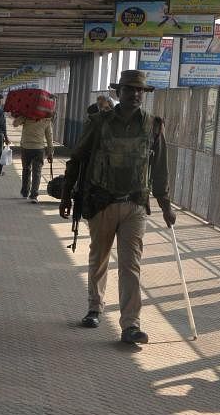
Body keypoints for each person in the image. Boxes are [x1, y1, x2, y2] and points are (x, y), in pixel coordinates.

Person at [59, 70, 175, 345]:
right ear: (118, 91)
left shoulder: (153, 126)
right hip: (102, 201)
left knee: (131, 265)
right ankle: (94, 308)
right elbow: (77, 159)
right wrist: (66, 195)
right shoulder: (98, 123)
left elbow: (159, 171)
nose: (135, 94)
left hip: (135, 204)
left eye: (140, 91)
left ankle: (131, 325)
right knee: (99, 257)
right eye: (129, 89)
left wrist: (166, 205)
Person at [13, 109, 54, 203]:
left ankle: (25, 192)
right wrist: (50, 153)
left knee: (26, 169)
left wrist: (22, 115)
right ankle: (34, 195)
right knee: (37, 172)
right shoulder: (46, 120)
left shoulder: (27, 116)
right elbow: (49, 138)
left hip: (26, 147)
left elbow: (15, 124)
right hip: (39, 149)